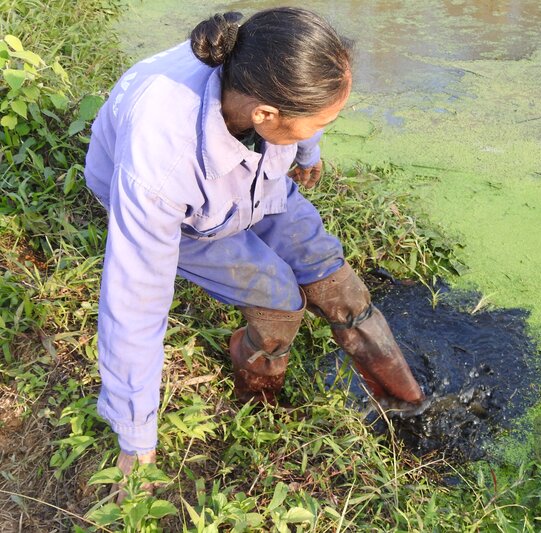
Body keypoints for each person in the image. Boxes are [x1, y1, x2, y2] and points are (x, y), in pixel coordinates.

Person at [84, 7, 424, 492]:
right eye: (320, 122)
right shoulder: (159, 168)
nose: (325, 126)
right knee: (279, 298)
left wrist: (307, 150)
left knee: (339, 285)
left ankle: (407, 403)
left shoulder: (268, 74)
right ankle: (260, 401)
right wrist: (136, 441)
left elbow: (305, 113)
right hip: (186, 216)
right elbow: (134, 304)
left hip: (258, 186)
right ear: (266, 115)